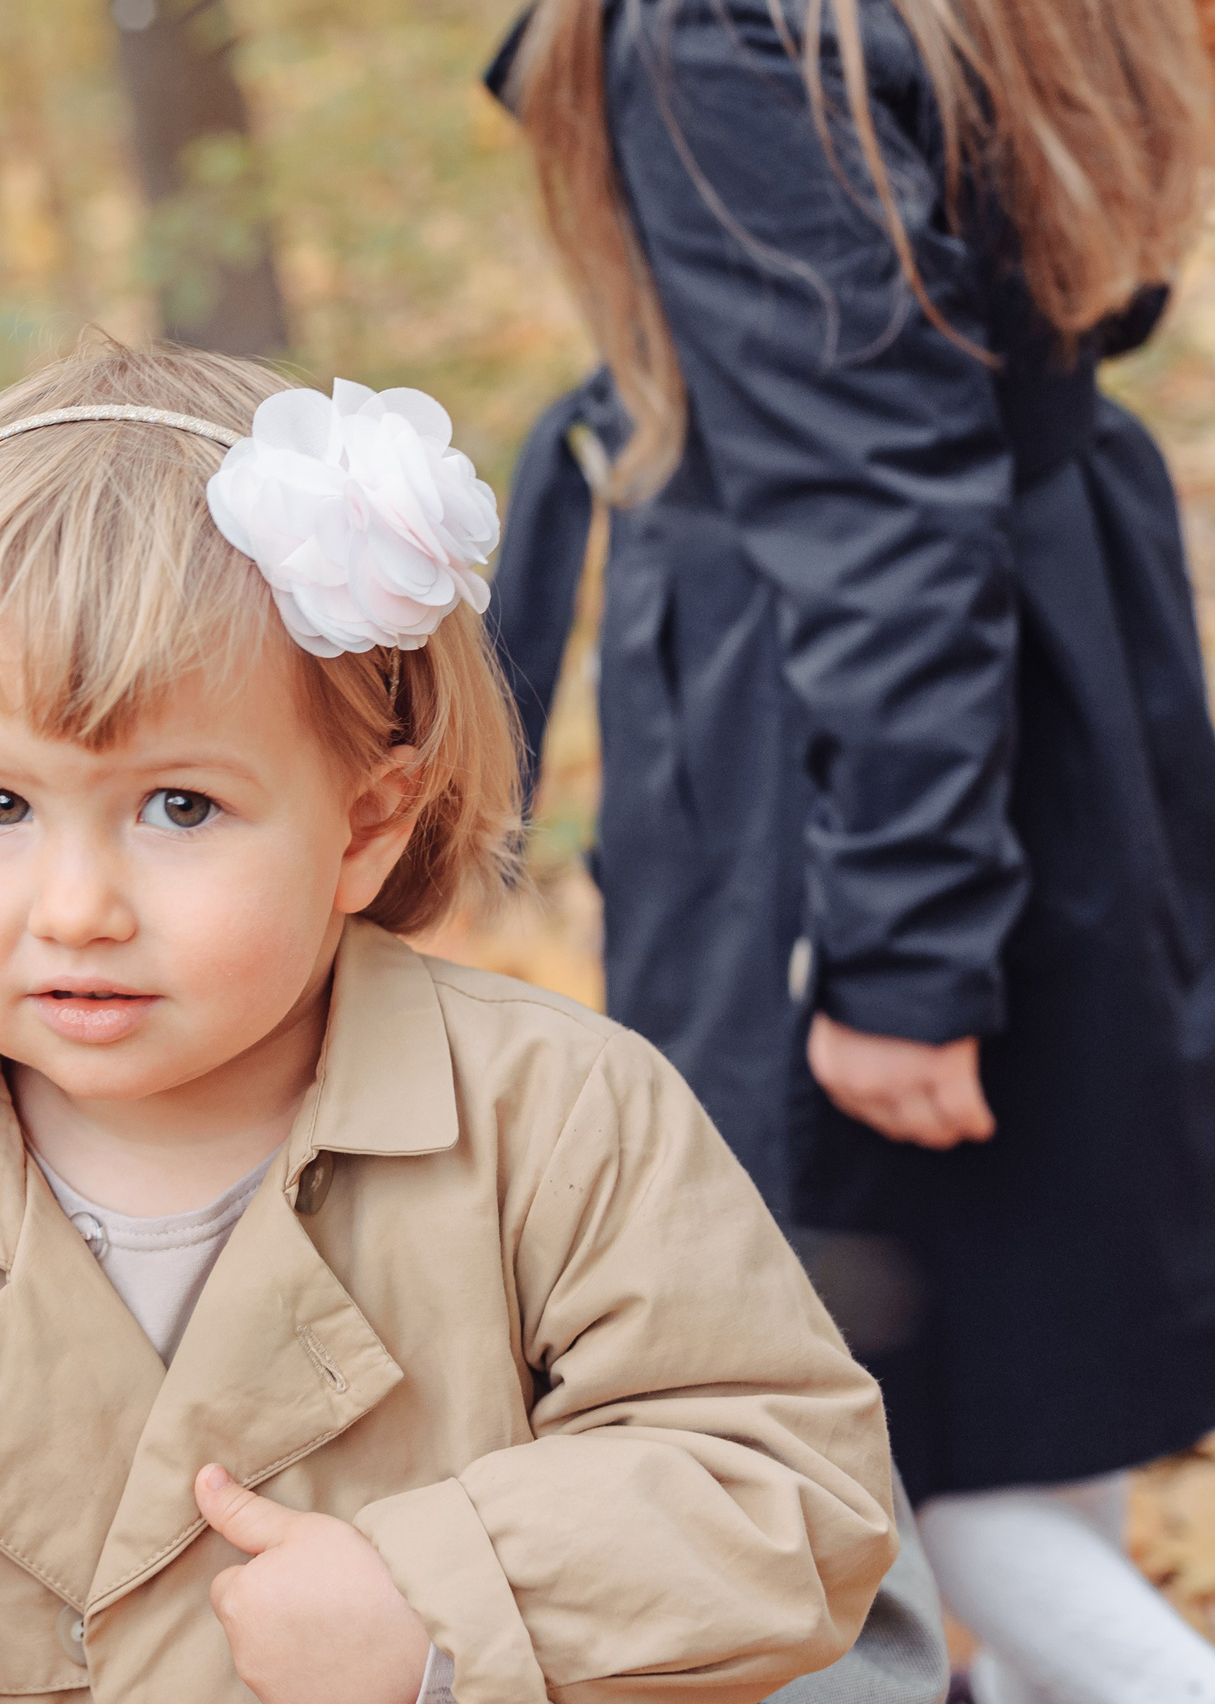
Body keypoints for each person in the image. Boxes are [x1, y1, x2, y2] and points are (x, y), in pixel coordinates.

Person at [0, 343, 897, 1704]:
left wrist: (438, 1608)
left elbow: (788, 1490)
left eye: (180, 808)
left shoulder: (555, 1113)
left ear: (362, 827)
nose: (78, 907)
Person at [488, 3, 1215, 1700]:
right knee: (1024, 1351)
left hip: (850, 768)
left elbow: (879, 509)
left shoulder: (733, 30)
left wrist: (904, 952)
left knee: (841, 1409)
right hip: (1043, 676)